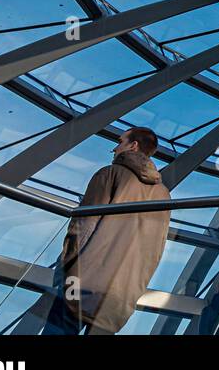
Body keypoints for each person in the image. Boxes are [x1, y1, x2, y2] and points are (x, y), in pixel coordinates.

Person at [43, 127, 172, 335]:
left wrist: (66, 268)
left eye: (120, 142)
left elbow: (83, 227)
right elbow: (153, 252)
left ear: (133, 145)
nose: (114, 148)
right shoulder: (164, 195)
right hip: (120, 296)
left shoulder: (110, 174)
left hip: (83, 284)